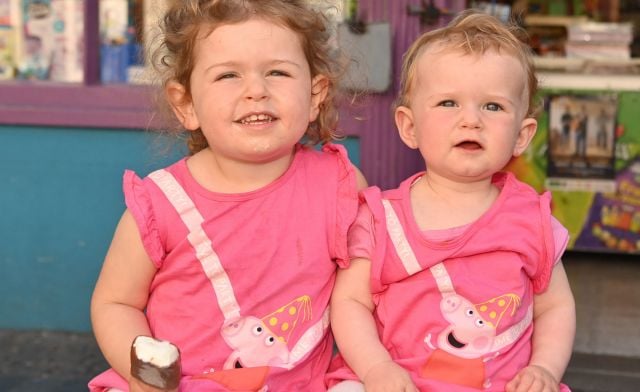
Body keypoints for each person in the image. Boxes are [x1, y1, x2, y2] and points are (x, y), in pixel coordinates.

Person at [89, 1, 366, 391]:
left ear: (316, 94)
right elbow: (116, 304)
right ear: (186, 104)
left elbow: (368, 298)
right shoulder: (161, 203)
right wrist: (147, 376)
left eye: (278, 72)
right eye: (228, 76)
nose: (256, 90)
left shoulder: (340, 186)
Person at [326, 10, 576, 392]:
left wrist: (544, 368)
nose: (470, 120)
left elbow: (555, 306)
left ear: (522, 135)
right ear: (409, 127)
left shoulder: (531, 219)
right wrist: (376, 369)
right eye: (448, 104)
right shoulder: (380, 219)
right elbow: (350, 303)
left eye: (492, 106)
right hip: (395, 381)